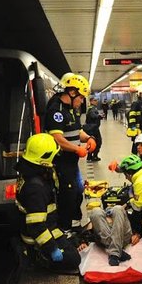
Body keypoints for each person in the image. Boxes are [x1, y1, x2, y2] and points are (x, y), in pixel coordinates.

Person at [16, 133, 83, 272]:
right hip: (37, 238)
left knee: (76, 242)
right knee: (74, 259)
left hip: (49, 226)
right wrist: (52, 249)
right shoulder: (36, 188)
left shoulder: (33, 174)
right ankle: (38, 258)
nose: (55, 159)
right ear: (43, 159)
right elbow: (36, 226)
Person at [45, 73, 96, 230]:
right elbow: (57, 139)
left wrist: (88, 138)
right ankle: (65, 229)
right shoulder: (56, 110)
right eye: (80, 97)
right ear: (72, 92)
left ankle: (75, 222)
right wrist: (77, 149)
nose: (81, 101)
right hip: (61, 163)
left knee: (78, 191)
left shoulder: (71, 109)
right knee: (68, 195)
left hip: (71, 163)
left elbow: (76, 131)